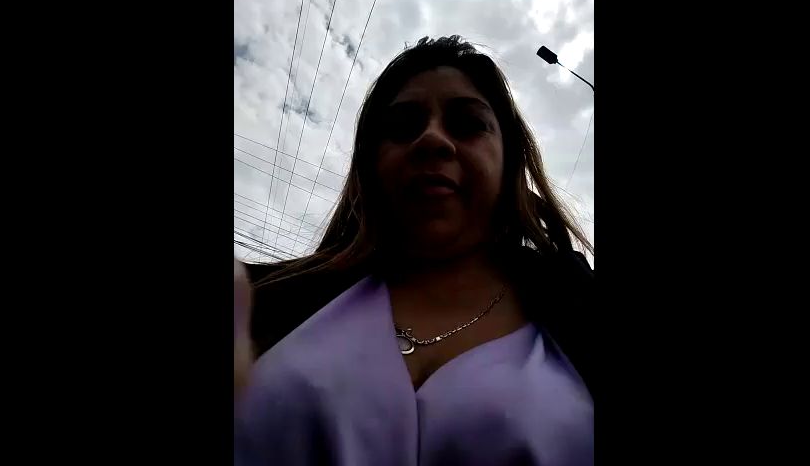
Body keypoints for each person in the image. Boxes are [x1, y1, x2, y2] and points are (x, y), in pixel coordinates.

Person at [234, 35, 595, 465]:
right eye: (402, 127)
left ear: (509, 161)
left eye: (468, 123)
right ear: (371, 165)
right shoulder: (263, 302)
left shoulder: (582, 310)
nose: (431, 139)